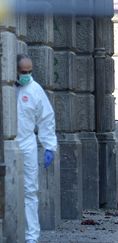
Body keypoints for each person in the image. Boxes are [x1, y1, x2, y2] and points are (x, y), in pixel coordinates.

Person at [16, 54, 57, 243]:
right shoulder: (9, 88)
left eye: (30, 71)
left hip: (27, 144)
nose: (27, 75)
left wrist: (49, 146)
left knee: (30, 191)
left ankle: (31, 237)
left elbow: (46, 118)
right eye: (23, 72)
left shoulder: (34, 90)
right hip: (9, 145)